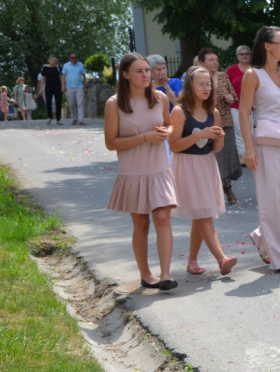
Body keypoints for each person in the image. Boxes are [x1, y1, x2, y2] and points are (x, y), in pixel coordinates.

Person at [103, 53, 177, 291]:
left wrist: (167, 131)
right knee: (142, 224)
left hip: (159, 168)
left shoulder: (161, 98)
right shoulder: (115, 104)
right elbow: (111, 142)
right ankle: (146, 274)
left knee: (163, 218)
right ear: (125, 75)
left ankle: (165, 275)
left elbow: (169, 123)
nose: (146, 75)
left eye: (147, 70)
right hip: (133, 172)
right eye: (139, 71)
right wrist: (144, 137)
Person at [238, 26, 280, 274]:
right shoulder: (252, 75)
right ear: (267, 46)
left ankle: (261, 237)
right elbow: (244, 113)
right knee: (270, 201)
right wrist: (248, 149)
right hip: (264, 142)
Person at [168, 66, 237, 277]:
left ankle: (192, 261)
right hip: (187, 165)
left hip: (207, 165)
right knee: (204, 213)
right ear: (191, 86)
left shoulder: (213, 112)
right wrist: (199, 135)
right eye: (201, 84)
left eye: (208, 84)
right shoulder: (180, 111)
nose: (206, 88)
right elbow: (174, 146)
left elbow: (215, 148)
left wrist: (218, 138)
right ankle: (222, 258)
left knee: (201, 214)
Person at [198, 48, 241, 205]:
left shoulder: (223, 76)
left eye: (216, 59)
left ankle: (226, 185)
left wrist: (230, 98)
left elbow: (234, 97)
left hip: (226, 122)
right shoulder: (198, 78)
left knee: (228, 156)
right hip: (207, 123)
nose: (215, 62)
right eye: (211, 60)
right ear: (201, 63)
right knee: (215, 158)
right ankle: (224, 189)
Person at [226, 44, 252, 159]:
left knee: (251, 130)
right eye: (242, 54)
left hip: (252, 106)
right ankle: (242, 155)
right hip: (236, 105)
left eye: (247, 53)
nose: (245, 56)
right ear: (237, 56)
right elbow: (225, 85)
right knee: (239, 130)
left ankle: (251, 153)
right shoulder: (232, 70)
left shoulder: (254, 69)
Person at [61, 52, 87, 125]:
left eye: (75, 57)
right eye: (72, 58)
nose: (74, 59)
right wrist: (63, 86)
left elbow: (84, 76)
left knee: (80, 103)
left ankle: (81, 119)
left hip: (79, 87)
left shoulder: (80, 65)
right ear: (70, 58)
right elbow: (63, 76)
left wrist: (86, 86)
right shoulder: (66, 65)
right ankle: (75, 118)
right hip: (69, 87)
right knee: (72, 104)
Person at [40, 56, 62, 125]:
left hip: (58, 87)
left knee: (58, 103)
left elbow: (61, 77)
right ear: (49, 61)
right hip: (48, 88)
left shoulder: (58, 68)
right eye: (53, 60)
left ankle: (58, 120)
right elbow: (43, 79)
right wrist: (40, 89)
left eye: (55, 60)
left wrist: (63, 86)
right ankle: (50, 116)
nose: (54, 62)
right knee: (48, 103)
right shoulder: (45, 68)